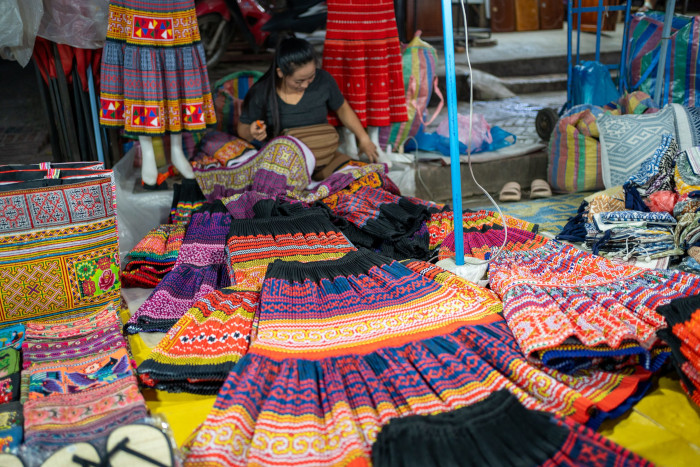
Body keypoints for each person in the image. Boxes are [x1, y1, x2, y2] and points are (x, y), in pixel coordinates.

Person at [237, 37, 379, 179]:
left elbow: (342, 108)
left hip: (325, 157)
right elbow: (242, 128)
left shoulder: (323, 80)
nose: (305, 85)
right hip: (287, 167)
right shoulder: (262, 92)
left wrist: (364, 138)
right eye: (298, 81)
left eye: (310, 77)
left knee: (363, 177)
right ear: (281, 73)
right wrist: (251, 131)